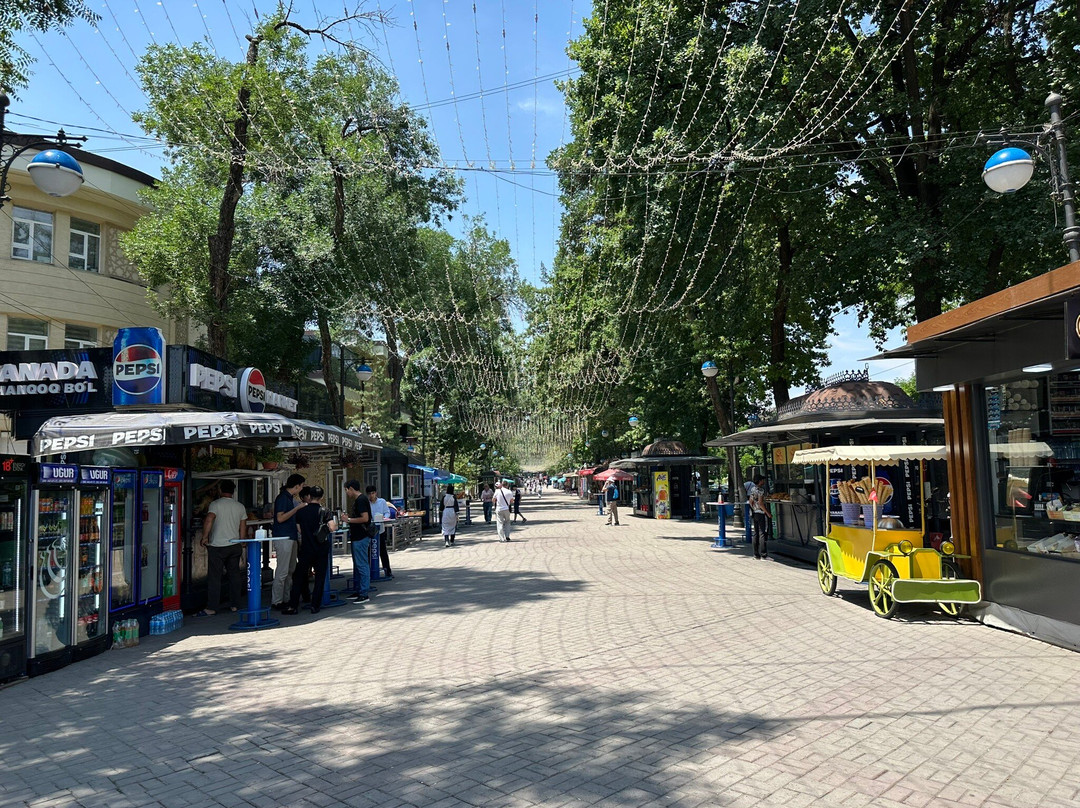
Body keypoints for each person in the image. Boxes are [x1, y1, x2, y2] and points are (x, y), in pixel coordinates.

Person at [282, 486, 336, 615]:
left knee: (299, 576)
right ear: (321, 497)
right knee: (320, 577)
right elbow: (332, 527)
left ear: (309, 496)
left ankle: (293, 605)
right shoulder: (325, 511)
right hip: (321, 548)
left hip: (306, 548)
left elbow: (299, 529)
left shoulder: (301, 511)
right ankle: (315, 605)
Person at [198, 479, 248, 615]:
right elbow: (243, 526)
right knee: (234, 576)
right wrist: (242, 541)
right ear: (233, 491)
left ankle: (212, 607)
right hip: (234, 545)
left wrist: (205, 536)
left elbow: (209, 519)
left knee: (215, 577)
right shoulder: (240, 506)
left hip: (218, 546)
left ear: (220, 490)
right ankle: (235, 605)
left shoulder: (215, 504)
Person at [270, 473, 306, 609]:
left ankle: (286, 598)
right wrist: (297, 509)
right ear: (296, 486)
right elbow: (280, 518)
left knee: (290, 570)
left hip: (291, 536)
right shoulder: (282, 498)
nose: (302, 488)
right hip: (283, 536)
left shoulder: (289, 498)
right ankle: (277, 600)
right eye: (301, 486)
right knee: (283, 570)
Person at [343, 479, 373, 603]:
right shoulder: (360, 500)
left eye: (346, 490)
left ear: (351, 488)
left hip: (361, 536)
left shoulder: (361, 500)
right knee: (358, 564)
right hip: (357, 536)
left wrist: (349, 520)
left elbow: (365, 518)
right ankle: (360, 589)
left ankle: (364, 592)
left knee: (362, 564)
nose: (346, 493)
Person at [367, 485, 394, 579]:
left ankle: (388, 571)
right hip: (370, 530)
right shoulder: (367, 503)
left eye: (373, 493)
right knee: (369, 551)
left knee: (383, 551)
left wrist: (384, 517)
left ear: (376, 493)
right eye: (369, 494)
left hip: (380, 530)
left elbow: (387, 512)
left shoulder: (382, 502)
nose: (371, 495)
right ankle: (369, 571)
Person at [748, 474, 769, 560]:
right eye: (762, 480)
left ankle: (756, 554)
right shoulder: (761, 490)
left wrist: (754, 508)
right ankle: (764, 554)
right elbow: (760, 503)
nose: (763, 481)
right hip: (761, 513)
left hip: (754, 513)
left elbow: (750, 501)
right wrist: (767, 513)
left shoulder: (752, 489)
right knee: (762, 533)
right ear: (760, 481)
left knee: (756, 533)